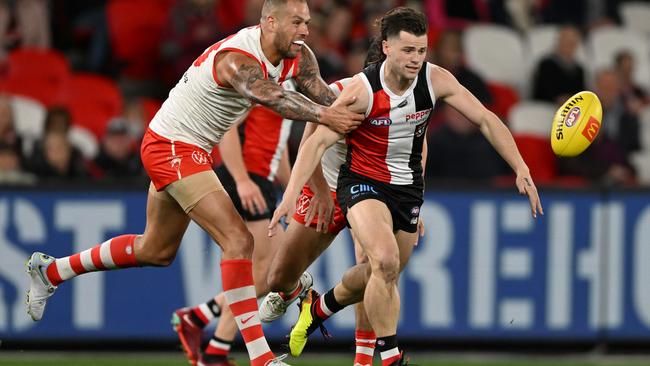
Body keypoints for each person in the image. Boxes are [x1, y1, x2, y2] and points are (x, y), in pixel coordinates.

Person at [24, 1, 364, 365]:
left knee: (155, 250)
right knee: (238, 240)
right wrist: (329, 115)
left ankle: (52, 270)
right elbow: (273, 96)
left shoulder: (300, 55)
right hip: (171, 145)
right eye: (296, 22)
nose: (305, 31)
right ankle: (261, 357)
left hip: (186, 147)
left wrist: (374, 110)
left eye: (308, 23)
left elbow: (324, 94)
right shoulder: (236, 60)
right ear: (269, 22)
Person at [268, 7, 543, 365]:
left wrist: (520, 167)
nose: (416, 60)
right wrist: (291, 195)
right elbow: (315, 142)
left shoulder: (435, 80)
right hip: (359, 183)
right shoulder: (358, 92)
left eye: (421, 51)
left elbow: (485, 120)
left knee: (382, 272)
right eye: (408, 51)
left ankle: (319, 309)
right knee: (381, 260)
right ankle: (392, 355)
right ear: (386, 48)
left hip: (405, 189)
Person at [170, 80, 295, 366]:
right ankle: (215, 347)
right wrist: (241, 180)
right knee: (269, 270)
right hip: (246, 179)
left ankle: (202, 321)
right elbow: (227, 129)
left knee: (273, 270)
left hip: (257, 180)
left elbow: (278, 149)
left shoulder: (288, 84)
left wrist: (294, 192)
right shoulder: (264, 80)